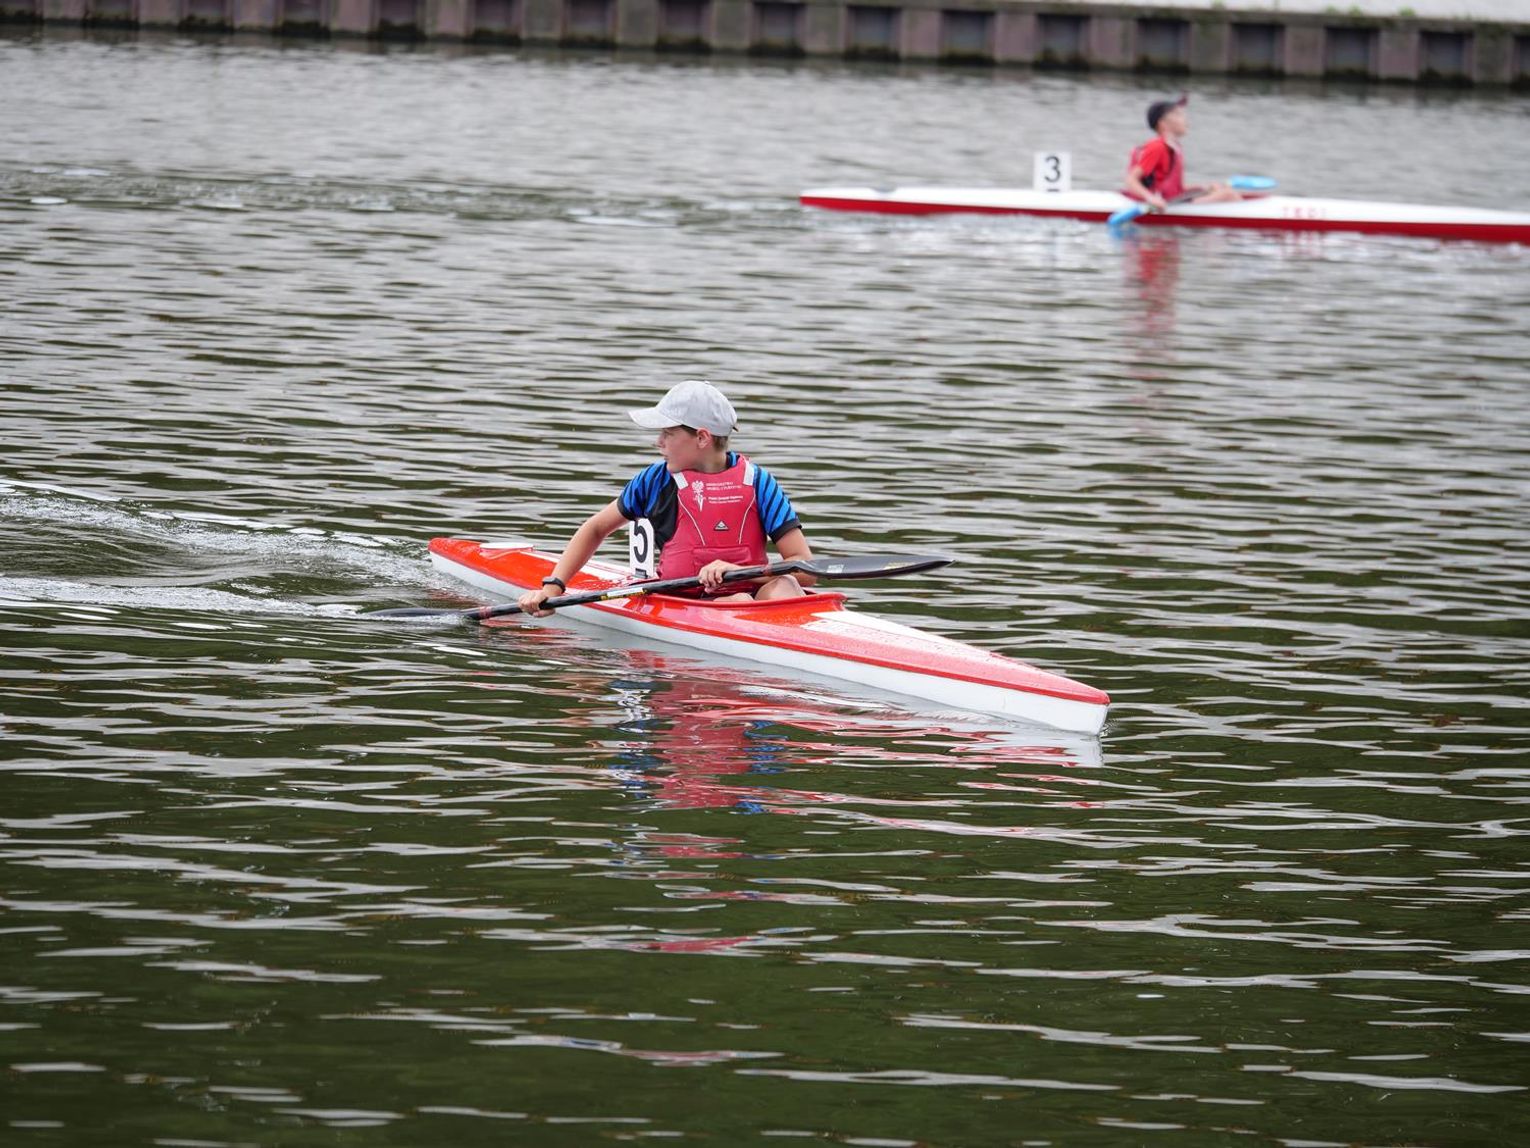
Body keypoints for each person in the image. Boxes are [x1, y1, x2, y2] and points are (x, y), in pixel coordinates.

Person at [516, 379, 813, 616]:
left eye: (668, 433)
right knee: (736, 601)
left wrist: (740, 573)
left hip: (752, 598)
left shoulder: (758, 482)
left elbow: (805, 570)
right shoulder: (655, 481)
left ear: (702, 437)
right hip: (684, 604)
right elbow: (595, 528)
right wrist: (553, 587)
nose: (658, 442)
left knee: (786, 583)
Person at [1122, 94, 1241, 212]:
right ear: (1163, 123)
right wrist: (1150, 198)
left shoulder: (1174, 146)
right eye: (1178, 114)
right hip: (1163, 204)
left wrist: (1202, 188)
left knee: (1219, 189)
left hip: (1173, 200)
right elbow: (1131, 180)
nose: (1185, 119)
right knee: (1229, 195)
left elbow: (1175, 189)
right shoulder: (1157, 147)